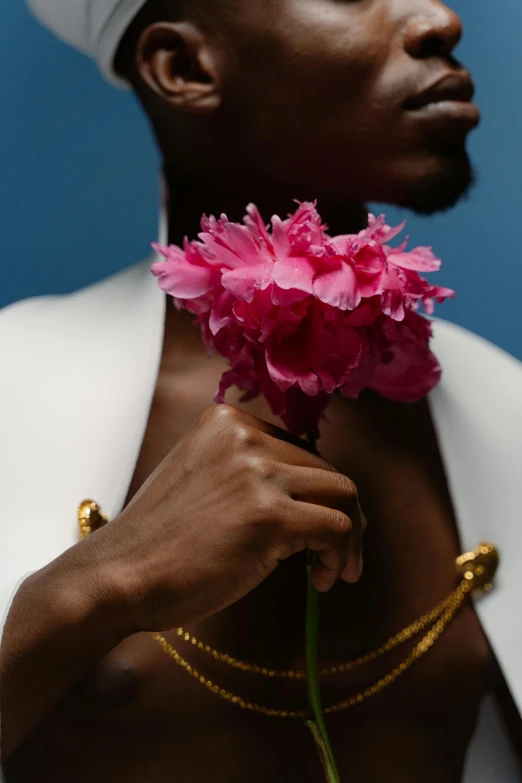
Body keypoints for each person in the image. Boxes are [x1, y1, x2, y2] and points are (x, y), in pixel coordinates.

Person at [1, 0, 521, 780]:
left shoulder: (508, 411)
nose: (438, 18)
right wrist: (91, 594)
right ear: (183, 67)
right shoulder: (12, 386)